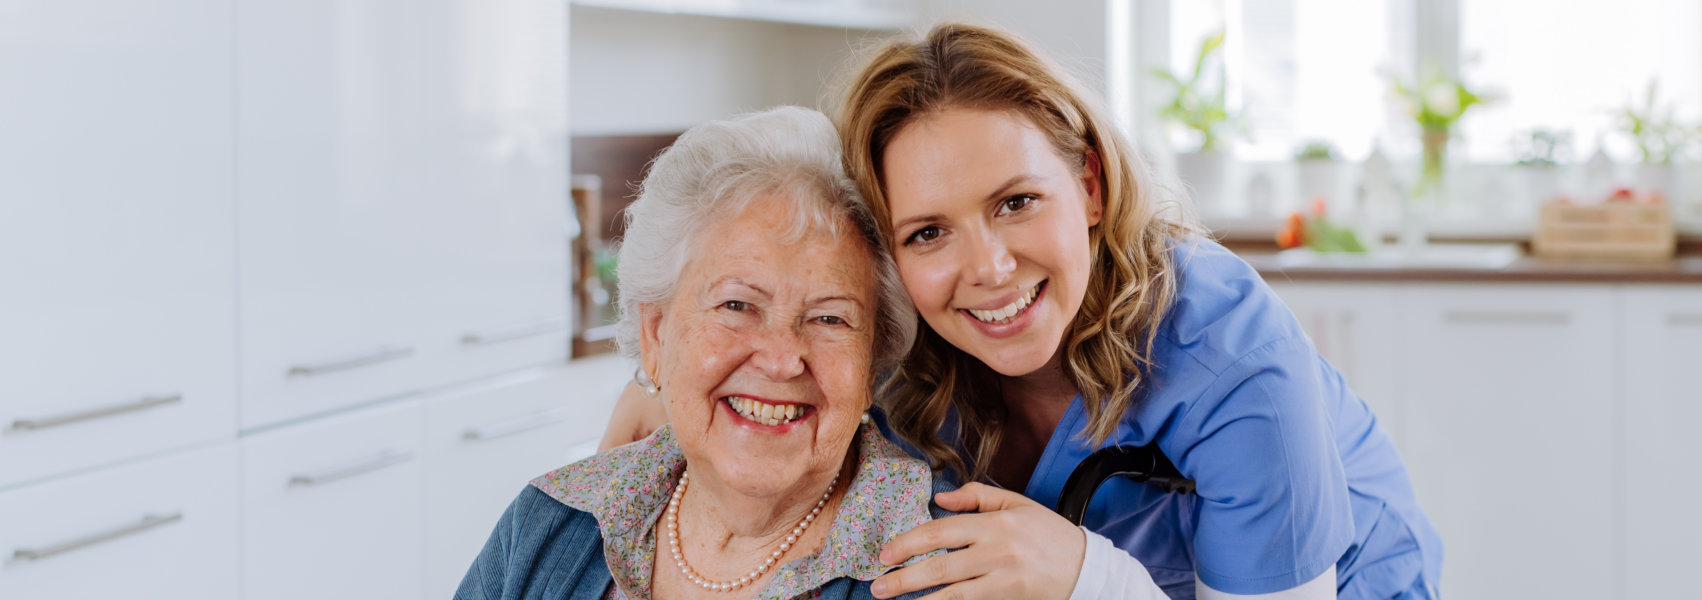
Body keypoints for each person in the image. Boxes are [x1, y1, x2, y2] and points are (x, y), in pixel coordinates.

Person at [605, 24, 1444, 600]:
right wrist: (676, 382)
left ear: (1087, 186)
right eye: (929, 230)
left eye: (1015, 202)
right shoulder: (892, 339)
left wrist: (1085, 576)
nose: (989, 270)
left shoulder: (1228, 357)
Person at [458, 106, 945, 600]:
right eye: (737, 304)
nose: (781, 360)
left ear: (870, 368)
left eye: (829, 318)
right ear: (656, 336)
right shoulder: (548, 522)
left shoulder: (943, 569)